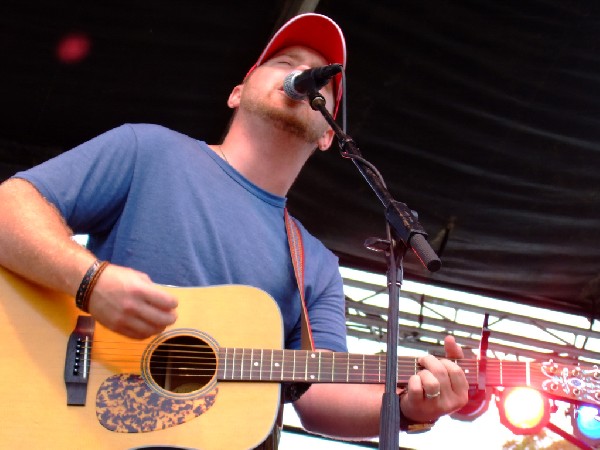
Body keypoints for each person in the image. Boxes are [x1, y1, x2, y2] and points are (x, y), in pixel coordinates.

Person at [0, 12, 468, 446]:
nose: (305, 73)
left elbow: (318, 395)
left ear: (328, 134)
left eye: (321, 76)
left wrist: (408, 407)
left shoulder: (317, 263)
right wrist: (90, 282)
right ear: (238, 92)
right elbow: (10, 206)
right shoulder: (149, 149)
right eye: (286, 62)